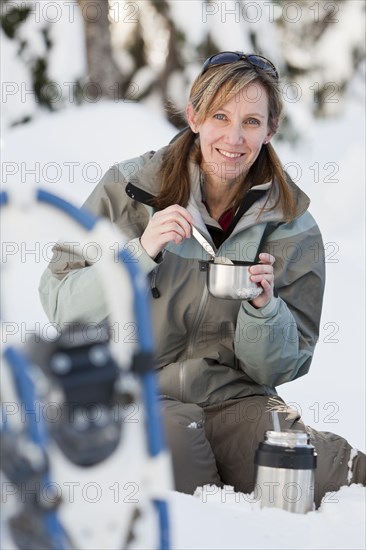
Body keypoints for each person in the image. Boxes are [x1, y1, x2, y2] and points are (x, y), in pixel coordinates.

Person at [39, 51, 365, 506]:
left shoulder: (291, 225)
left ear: (270, 130)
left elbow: (283, 367)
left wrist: (263, 310)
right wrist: (139, 253)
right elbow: (60, 305)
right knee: (184, 464)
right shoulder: (129, 192)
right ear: (194, 117)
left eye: (251, 121)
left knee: (314, 471)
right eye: (220, 116)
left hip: (237, 401)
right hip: (136, 395)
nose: (234, 138)